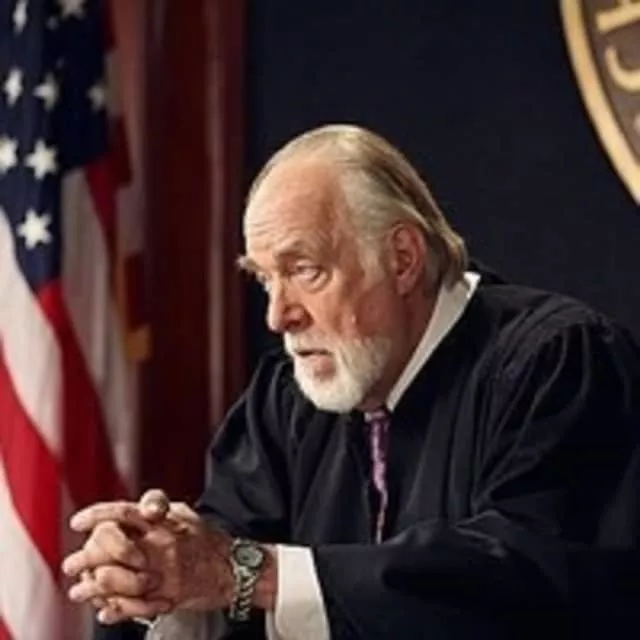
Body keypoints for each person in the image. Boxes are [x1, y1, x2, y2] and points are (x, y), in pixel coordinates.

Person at [63, 124, 640, 639]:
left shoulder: (557, 362)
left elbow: (523, 580)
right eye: (264, 279)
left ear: (403, 258)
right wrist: (155, 570)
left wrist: (248, 575)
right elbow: (223, 552)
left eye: (304, 270)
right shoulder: (289, 396)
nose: (278, 315)